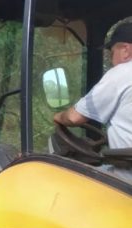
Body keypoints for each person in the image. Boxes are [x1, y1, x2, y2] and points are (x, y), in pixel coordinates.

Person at [53, 21, 132, 177]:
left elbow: (74, 117)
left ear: (125, 50)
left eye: (112, 53)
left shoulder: (122, 73)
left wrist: (58, 117)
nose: (112, 61)